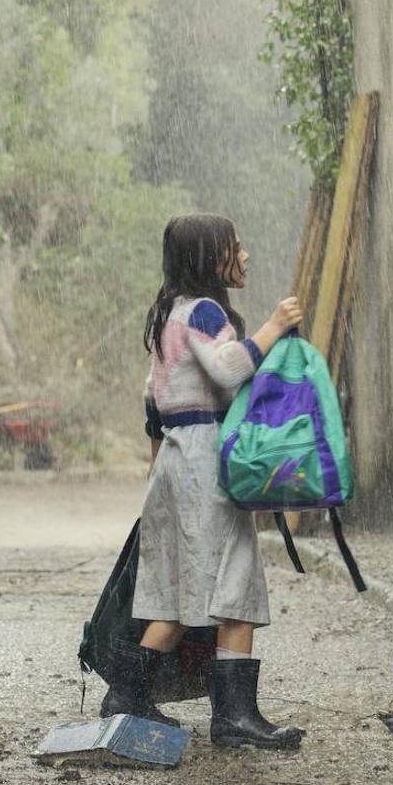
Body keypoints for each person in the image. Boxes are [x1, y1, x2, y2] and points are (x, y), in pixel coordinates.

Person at [99, 213, 306, 749]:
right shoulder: (208, 312)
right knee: (235, 582)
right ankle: (234, 718)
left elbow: (151, 396)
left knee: (174, 593)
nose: (245, 256)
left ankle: (127, 693)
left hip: (173, 457)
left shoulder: (167, 313)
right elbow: (231, 371)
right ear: (211, 259)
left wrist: (156, 464)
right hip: (206, 458)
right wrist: (275, 325)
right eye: (235, 248)